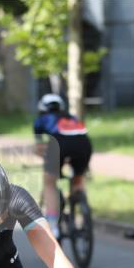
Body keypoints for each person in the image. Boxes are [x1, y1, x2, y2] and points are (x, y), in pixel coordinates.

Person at [32, 93, 93, 239]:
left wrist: (48, 160)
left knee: (49, 183)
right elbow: (73, 138)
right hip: (84, 144)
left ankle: (53, 226)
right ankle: (80, 207)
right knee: (78, 178)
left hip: (59, 145)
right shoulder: (72, 118)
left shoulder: (41, 120)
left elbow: (40, 147)